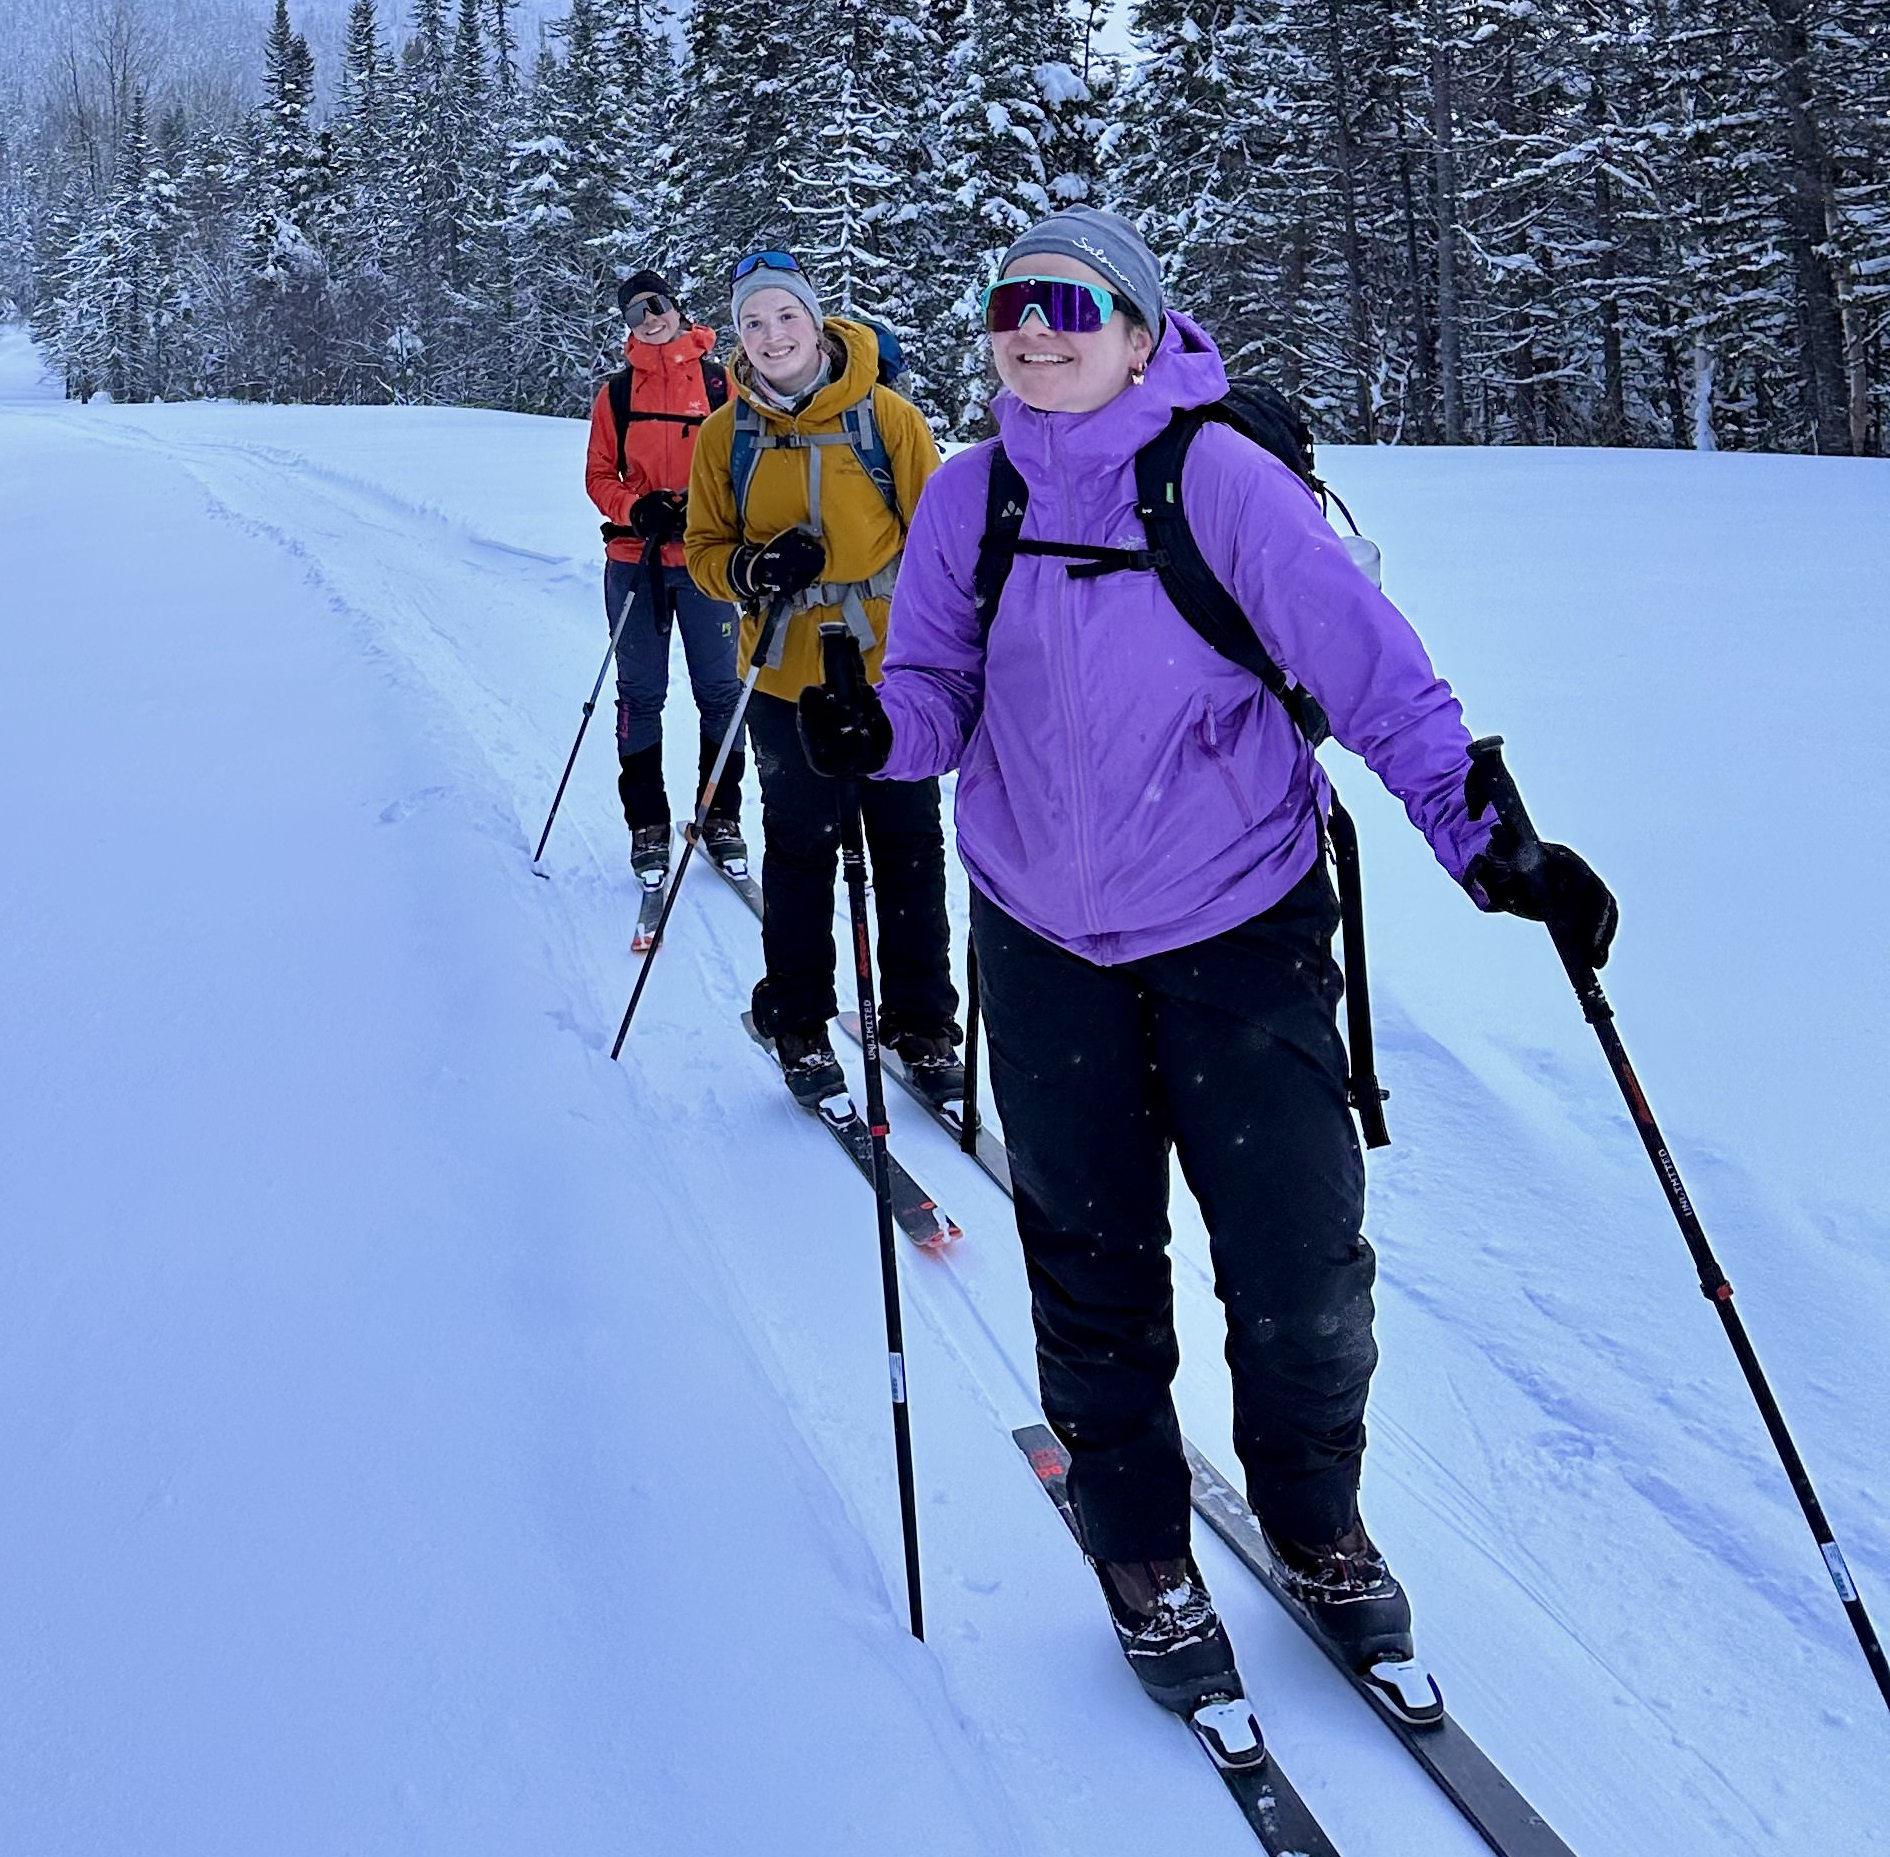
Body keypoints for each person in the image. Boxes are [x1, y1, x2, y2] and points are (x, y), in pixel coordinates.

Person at [806, 205, 1618, 1712]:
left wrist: (1487, 840)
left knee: (1300, 1265)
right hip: (1043, 938)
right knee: (1089, 1260)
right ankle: (1139, 1547)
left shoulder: (1219, 481)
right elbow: (931, 691)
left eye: (1067, 304)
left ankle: (1312, 1524)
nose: (1032, 331)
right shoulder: (972, 499)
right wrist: (878, 735)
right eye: (1008, 309)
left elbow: (1378, 675)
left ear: (1139, 329)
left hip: (1241, 927)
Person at [685, 245, 963, 1110]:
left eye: (786, 317)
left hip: (891, 674)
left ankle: (921, 1023)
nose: (772, 337)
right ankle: (799, 1019)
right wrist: (753, 572)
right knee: (801, 849)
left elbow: (941, 541)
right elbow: (703, 553)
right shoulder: (724, 434)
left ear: (818, 321)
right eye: (754, 322)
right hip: (781, 675)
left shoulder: (887, 420)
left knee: (908, 846)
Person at [582, 271, 746, 892]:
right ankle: (647, 823)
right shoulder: (617, 394)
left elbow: (747, 462)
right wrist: (636, 507)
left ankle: (719, 815)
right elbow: (599, 476)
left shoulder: (722, 383)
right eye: (634, 312)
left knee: (722, 693)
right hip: (636, 561)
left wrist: (710, 509)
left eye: (656, 305)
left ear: (678, 307)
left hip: (708, 561)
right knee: (640, 694)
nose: (648, 318)